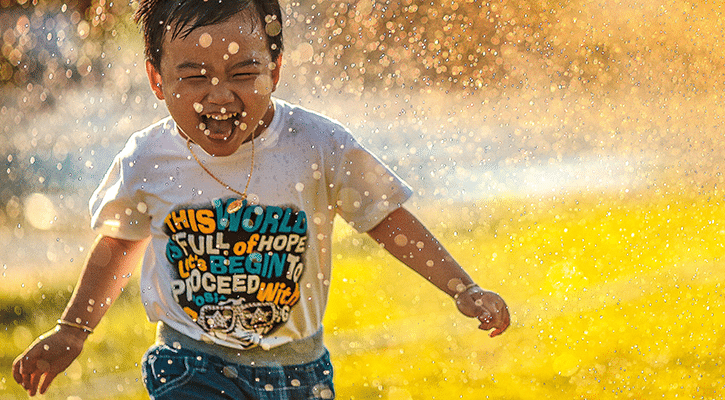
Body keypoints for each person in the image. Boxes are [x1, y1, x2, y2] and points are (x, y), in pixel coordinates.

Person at [12, 0, 510, 398]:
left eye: (243, 73)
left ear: (275, 69)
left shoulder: (317, 144)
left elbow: (386, 218)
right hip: (191, 364)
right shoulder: (149, 158)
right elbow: (119, 245)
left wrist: (461, 287)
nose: (220, 95)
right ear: (157, 80)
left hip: (299, 373)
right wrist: (73, 329)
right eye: (194, 76)